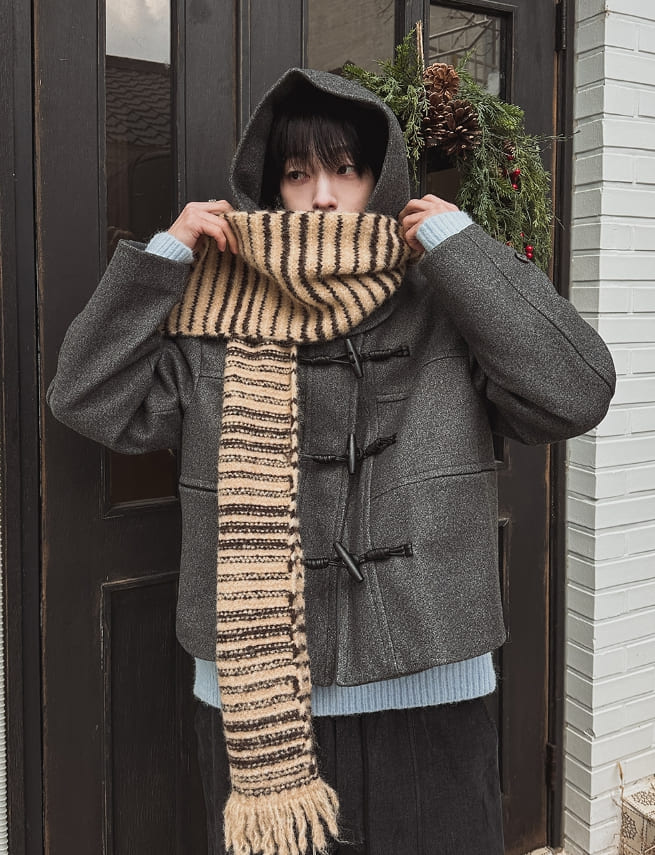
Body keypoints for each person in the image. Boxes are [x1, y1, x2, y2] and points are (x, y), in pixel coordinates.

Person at [47, 68, 615, 855]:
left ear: (383, 181)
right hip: (260, 706)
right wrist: (164, 258)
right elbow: (85, 395)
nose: (321, 195)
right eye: (296, 172)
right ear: (269, 188)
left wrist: (463, 249)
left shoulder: (444, 302)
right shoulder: (212, 317)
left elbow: (575, 391)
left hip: (429, 679)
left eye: (346, 169)